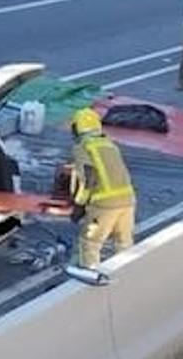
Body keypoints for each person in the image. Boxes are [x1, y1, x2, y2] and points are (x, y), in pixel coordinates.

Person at [69, 108, 136, 269]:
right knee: (124, 242)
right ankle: (128, 275)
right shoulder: (110, 145)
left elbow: (89, 177)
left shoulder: (83, 147)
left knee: (90, 244)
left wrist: (79, 204)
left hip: (104, 203)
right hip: (128, 200)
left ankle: (90, 278)